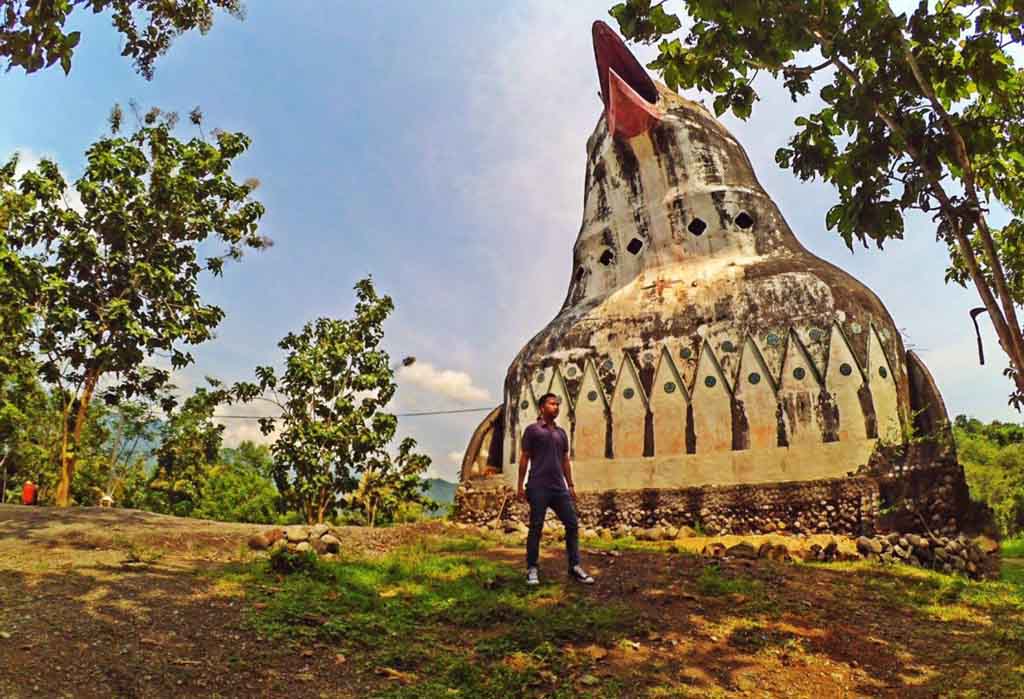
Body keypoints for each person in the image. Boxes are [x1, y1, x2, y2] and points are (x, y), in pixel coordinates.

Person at [517, 393, 594, 586]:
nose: (556, 407)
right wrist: (520, 485)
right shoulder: (533, 430)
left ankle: (574, 566)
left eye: (558, 404)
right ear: (542, 407)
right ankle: (532, 568)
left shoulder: (561, 434)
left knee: (572, 525)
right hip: (538, 486)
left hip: (559, 488)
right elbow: (525, 457)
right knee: (536, 527)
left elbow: (565, 461)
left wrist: (571, 485)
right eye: (552, 404)